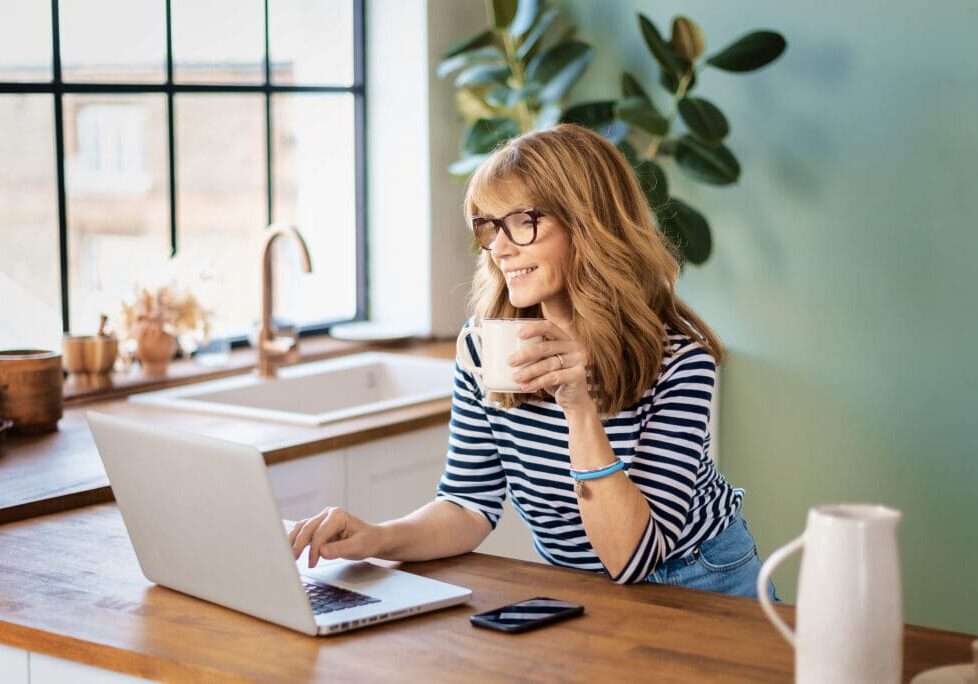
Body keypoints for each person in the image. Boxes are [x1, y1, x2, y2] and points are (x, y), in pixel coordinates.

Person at [290, 123, 776, 599]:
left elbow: (633, 555)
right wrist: (376, 538)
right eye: (489, 226)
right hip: (585, 590)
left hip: (703, 582)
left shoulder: (680, 362)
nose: (500, 247)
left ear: (589, 224)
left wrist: (580, 408)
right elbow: (468, 505)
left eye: (524, 222)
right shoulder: (484, 347)